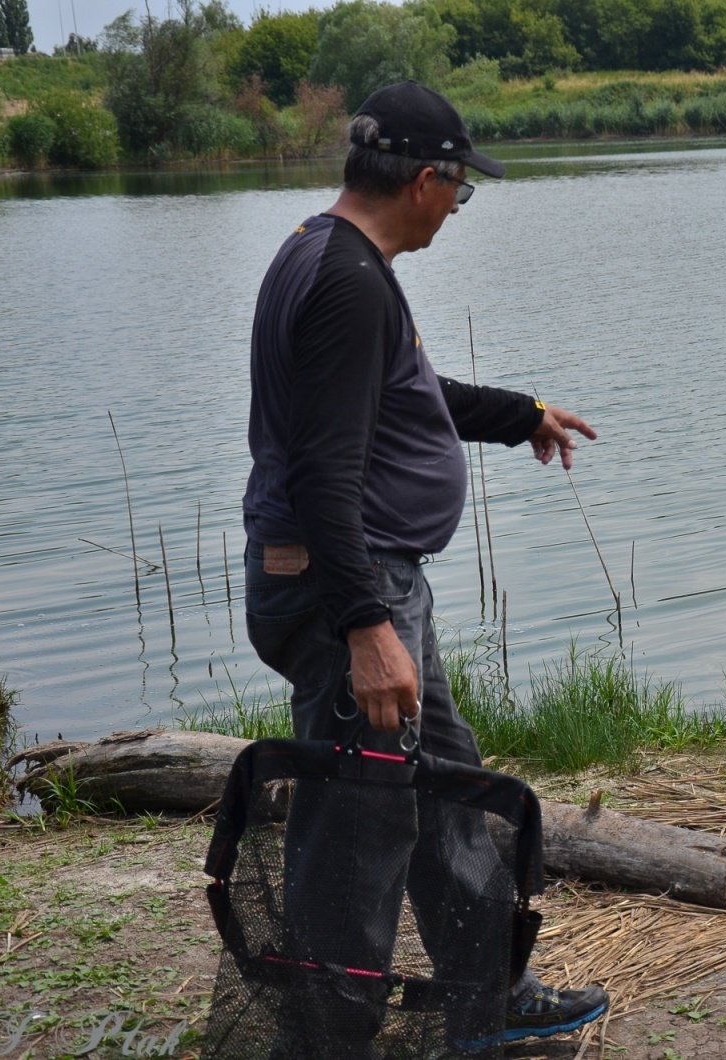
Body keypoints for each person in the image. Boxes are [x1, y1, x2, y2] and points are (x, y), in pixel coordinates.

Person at [240, 79, 608, 1048]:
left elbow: (407, 394)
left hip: (370, 587)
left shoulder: (324, 251)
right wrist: (365, 627)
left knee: (445, 783)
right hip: (345, 596)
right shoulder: (349, 279)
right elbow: (326, 470)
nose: (457, 204)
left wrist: (519, 413)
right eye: (460, 186)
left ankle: (484, 994)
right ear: (425, 177)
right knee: (360, 828)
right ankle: (325, 1034)